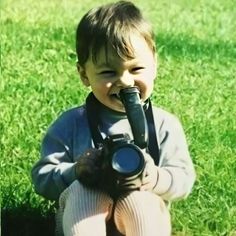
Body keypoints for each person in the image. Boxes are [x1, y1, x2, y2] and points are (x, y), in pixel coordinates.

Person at [31, 1, 196, 235]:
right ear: (84, 74)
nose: (125, 82)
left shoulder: (163, 125)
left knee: (143, 202)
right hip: (83, 216)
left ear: (155, 65)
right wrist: (75, 171)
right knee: (83, 192)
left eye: (136, 69)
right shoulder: (71, 124)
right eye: (109, 72)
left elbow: (184, 179)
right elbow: (42, 178)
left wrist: (154, 176)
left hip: (141, 214)